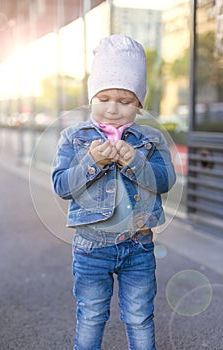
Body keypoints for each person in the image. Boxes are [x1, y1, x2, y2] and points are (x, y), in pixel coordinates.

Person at [52, 34, 176, 350]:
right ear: (91, 98)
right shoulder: (73, 137)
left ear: (139, 104)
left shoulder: (151, 139)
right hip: (91, 246)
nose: (113, 109)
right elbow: (62, 186)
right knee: (92, 315)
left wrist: (135, 161)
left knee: (139, 316)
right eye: (104, 99)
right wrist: (91, 162)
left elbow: (165, 181)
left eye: (125, 101)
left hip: (139, 245)